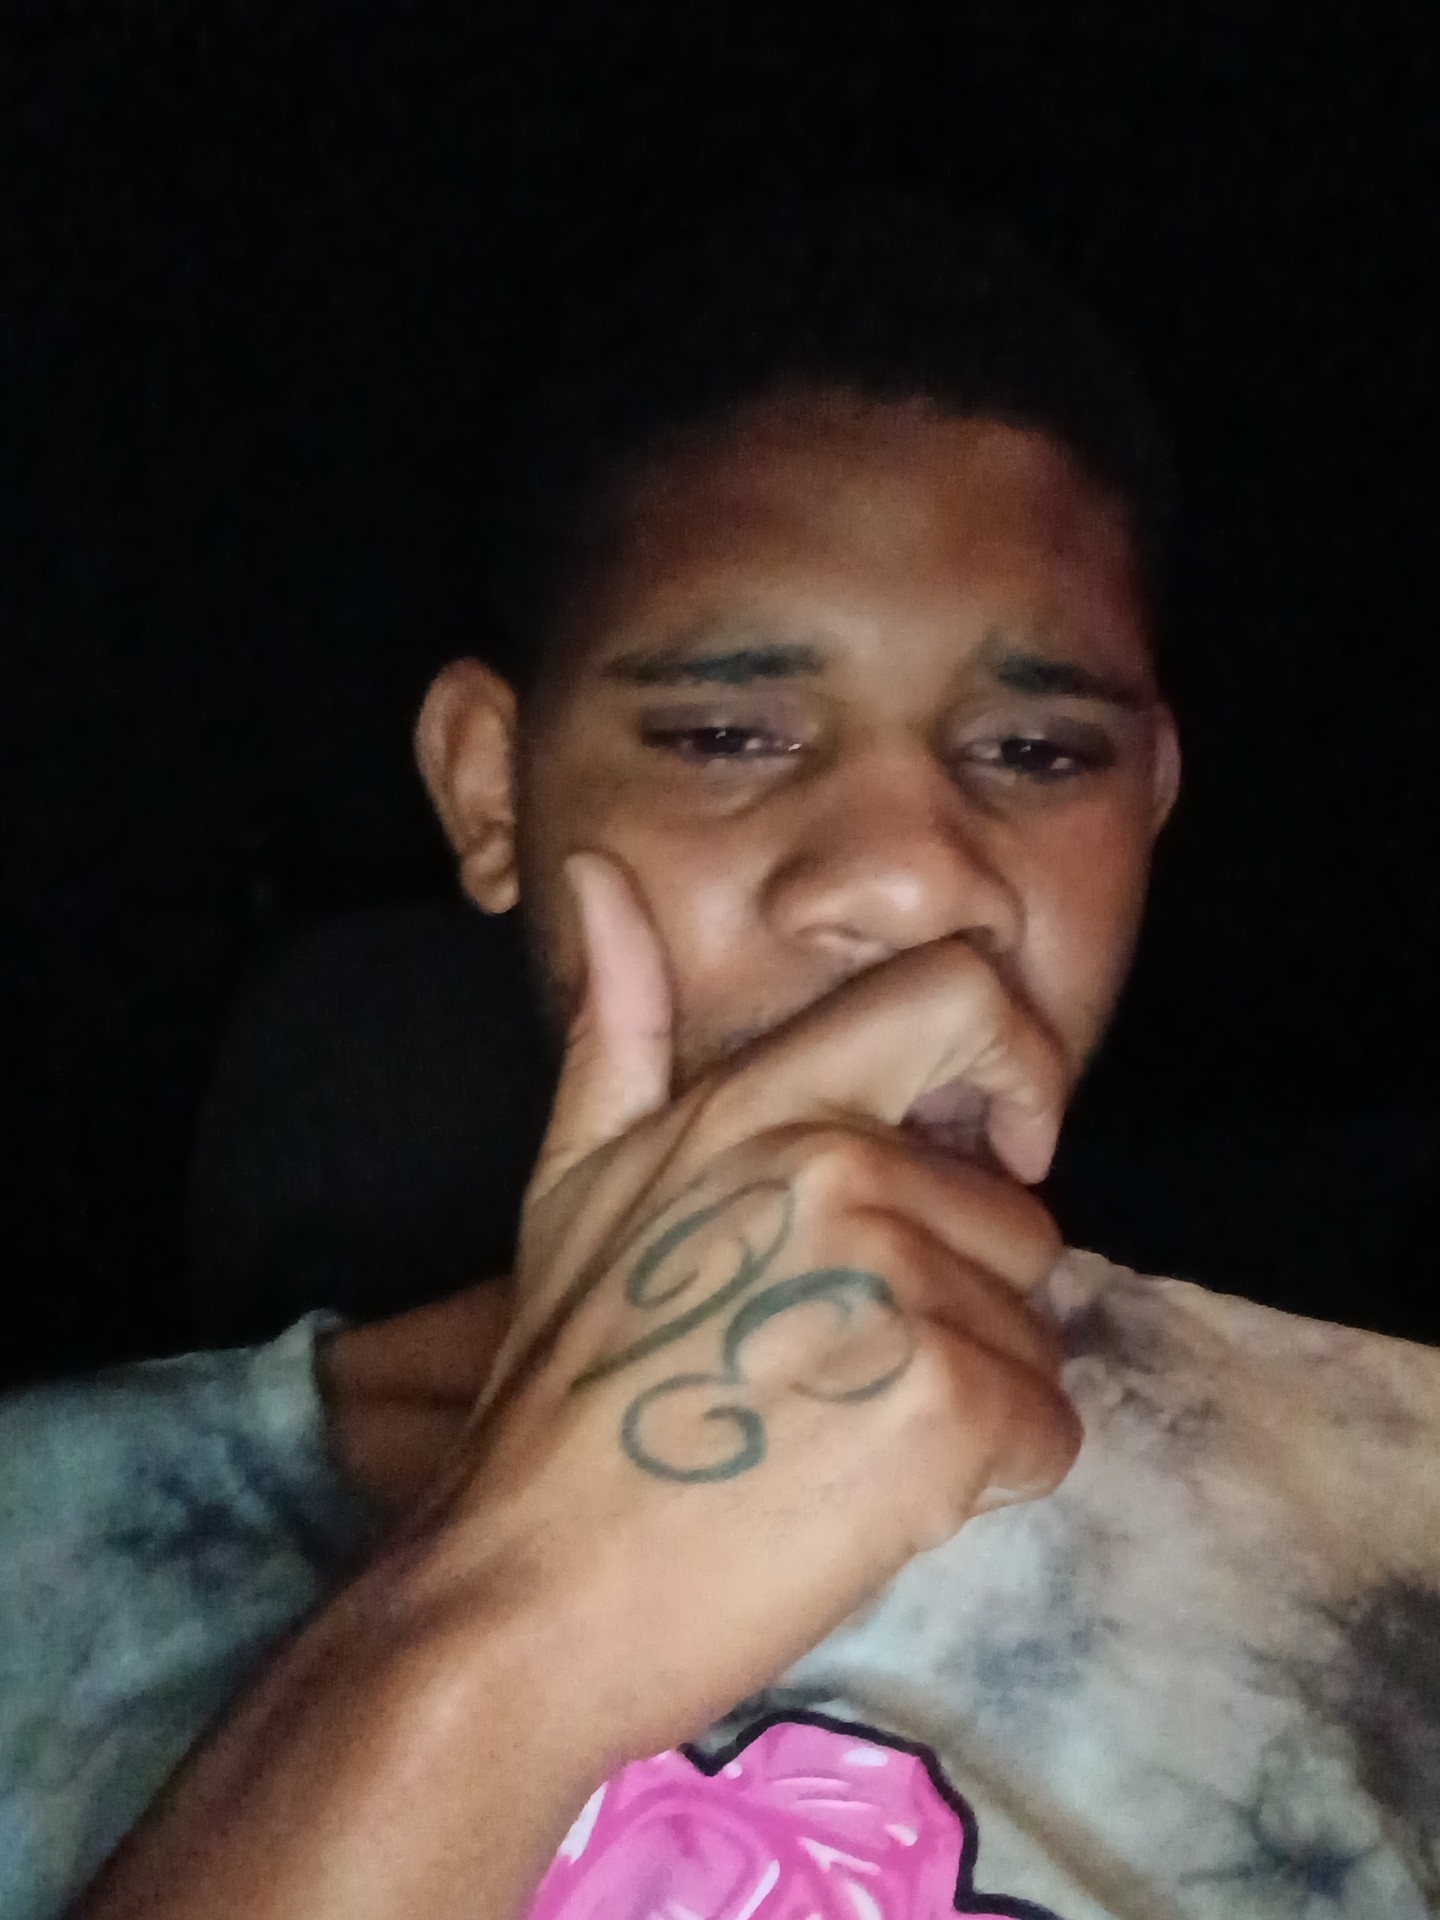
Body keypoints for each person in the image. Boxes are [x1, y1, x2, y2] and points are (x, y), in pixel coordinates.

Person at [3, 202, 1437, 1920]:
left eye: (1040, 752)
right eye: (728, 734)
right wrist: (505, 1611)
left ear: (1151, 805)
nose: (915, 879)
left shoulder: (1400, 1495)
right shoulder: (37, 1552)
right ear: (489, 790)